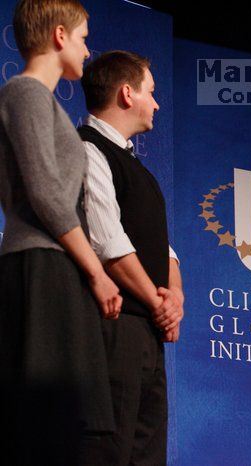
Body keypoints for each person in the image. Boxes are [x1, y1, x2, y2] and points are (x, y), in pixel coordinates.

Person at [0, 1, 122, 463]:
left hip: (57, 265)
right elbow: (46, 191)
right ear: (58, 35)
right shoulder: (25, 92)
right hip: (40, 267)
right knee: (46, 425)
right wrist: (96, 270)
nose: (88, 50)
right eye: (84, 37)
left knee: (73, 428)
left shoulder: (40, 100)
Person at [77, 50, 184, 464]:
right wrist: (160, 304)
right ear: (127, 94)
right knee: (109, 449)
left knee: (146, 453)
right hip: (113, 326)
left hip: (148, 334)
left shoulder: (138, 168)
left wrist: (175, 295)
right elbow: (108, 244)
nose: (156, 103)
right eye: (151, 92)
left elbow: (164, 246)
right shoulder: (87, 150)